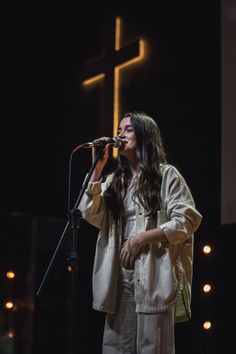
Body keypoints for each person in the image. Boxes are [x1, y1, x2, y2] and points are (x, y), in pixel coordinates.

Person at [78, 111, 202, 354]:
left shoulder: (166, 175)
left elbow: (187, 220)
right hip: (119, 277)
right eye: (119, 129)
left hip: (153, 274)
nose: (120, 135)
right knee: (116, 347)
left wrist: (141, 238)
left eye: (127, 129)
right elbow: (90, 213)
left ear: (145, 135)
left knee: (152, 348)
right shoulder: (115, 180)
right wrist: (97, 168)